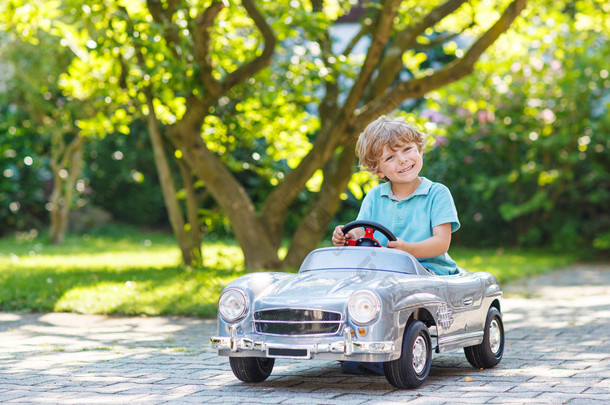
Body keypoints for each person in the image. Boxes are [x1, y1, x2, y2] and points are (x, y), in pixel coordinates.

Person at [332, 115, 460, 276]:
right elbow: (361, 231)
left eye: (406, 149)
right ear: (378, 171)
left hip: (430, 271)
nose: (402, 160)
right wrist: (347, 235)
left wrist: (408, 250)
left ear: (419, 149)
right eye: (390, 157)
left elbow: (441, 243)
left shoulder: (437, 194)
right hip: (385, 271)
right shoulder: (374, 196)